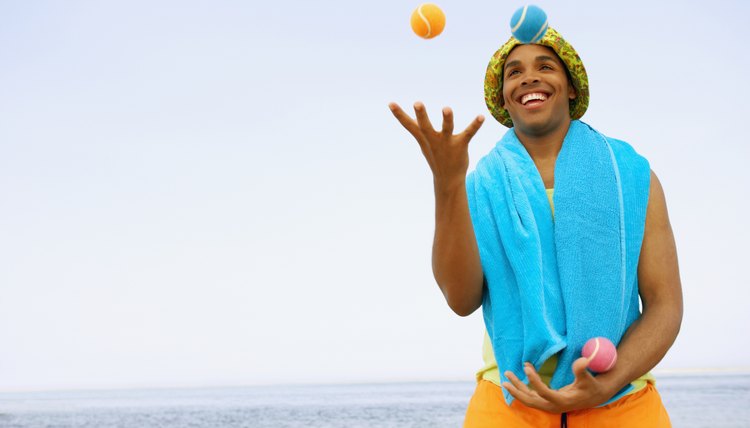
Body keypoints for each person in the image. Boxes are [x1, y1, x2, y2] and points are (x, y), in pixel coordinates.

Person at [388, 25, 682, 427]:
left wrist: (605, 382)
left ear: (572, 86)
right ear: (503, 98)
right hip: (509, 400)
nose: (529, 76)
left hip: (619, 399)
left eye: (546, 66)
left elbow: (665, 305)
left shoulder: (630, 176)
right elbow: (460, 299)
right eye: (514, 72)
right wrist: (448, 184)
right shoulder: (479, 187)